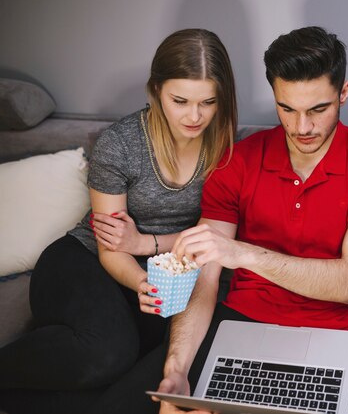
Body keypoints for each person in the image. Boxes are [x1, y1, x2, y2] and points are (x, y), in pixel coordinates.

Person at [98, 26, 348, 414]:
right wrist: (177, 369)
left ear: (342, 93)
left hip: (338, 334)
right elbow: (205, 278)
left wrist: (243, 254)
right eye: (287, 109)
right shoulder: (238, 160)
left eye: (318, 109)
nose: (302, 127)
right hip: (241, 323)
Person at [0, 28, 237, 414]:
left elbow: (212, 237)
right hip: (84, 259)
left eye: (208, 102)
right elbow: (112, 245)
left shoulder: (225, 148)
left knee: (170, 358)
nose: (195, 117)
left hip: (157, 269)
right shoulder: (121, 143)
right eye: (180, 101)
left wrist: (147, 244)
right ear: (156, 90)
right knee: (110, 352)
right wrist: (142, 280)